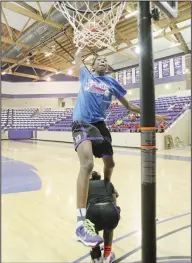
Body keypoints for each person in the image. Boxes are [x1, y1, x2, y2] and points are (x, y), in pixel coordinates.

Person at [72, 47, 165, 246]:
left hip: (100, 125)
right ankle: (80, 225)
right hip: (82, 122)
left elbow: (129, 106)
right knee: (87, 165)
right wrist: (81, 46)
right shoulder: (85, 75)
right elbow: (77, 58)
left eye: (106, 60)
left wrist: (151, 114)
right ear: (93, 65)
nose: (103, 62)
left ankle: (106, 186)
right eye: (99, 60)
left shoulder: (112, 83)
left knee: (110, 163)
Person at [87, 171, 120, 263]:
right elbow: (114, 203)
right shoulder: (108, 183)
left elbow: (82, 207)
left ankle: (96, 256)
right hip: (110, 214)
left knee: (90, 223)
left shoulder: (86, 186)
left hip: (93, 214)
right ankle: (107, 255)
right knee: (109, 225)